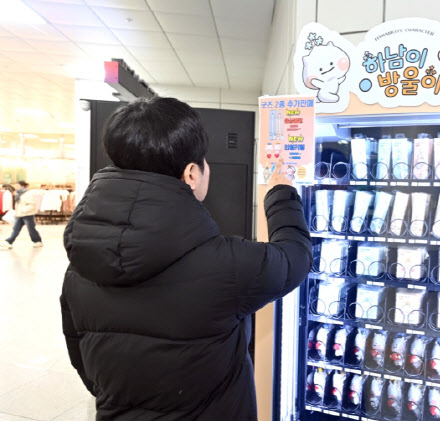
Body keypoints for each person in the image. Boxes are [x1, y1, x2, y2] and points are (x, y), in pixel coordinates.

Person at [60, 97, 312, 420]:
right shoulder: (227, 267)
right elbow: (295, 257)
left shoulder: (79, 267)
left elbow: (84, 362)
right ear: (192, 173)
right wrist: (281, 192)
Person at [0, 180, 43, 250]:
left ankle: (38, 241)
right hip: (20, 214)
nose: (16, 187)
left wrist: (23, 210)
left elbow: (32, 204)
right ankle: (9, 241)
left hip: (28, 214)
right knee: (16, 229)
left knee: (31, 229)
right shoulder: (19, 193)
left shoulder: (29, 193)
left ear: (22, 186)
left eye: (18, 186)